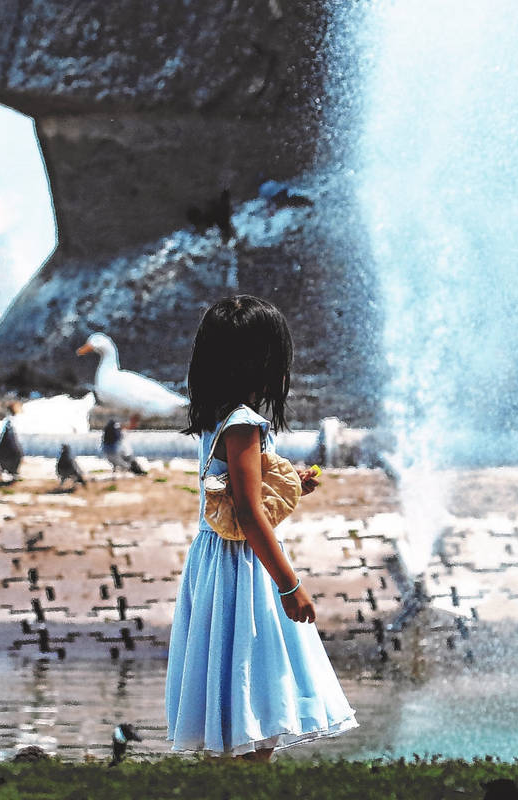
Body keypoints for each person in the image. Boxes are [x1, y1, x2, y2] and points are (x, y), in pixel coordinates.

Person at [166, 295, 358, 760]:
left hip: (215, 561)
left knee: (230, 699)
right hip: (244, 570)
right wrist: (290, 585)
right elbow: (251, 516)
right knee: (256, 697)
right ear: (261, 363)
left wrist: (290, 486)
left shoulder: (217, 418)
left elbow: (236, 496)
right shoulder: (244, 425)